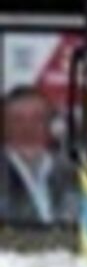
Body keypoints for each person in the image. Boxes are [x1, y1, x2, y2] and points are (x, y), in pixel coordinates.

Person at [3, 86, 79, 227]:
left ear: (50, 125)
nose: (28, 128)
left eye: (38, 119)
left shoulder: (72, 172)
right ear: (3, 126)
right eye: (17, 120)